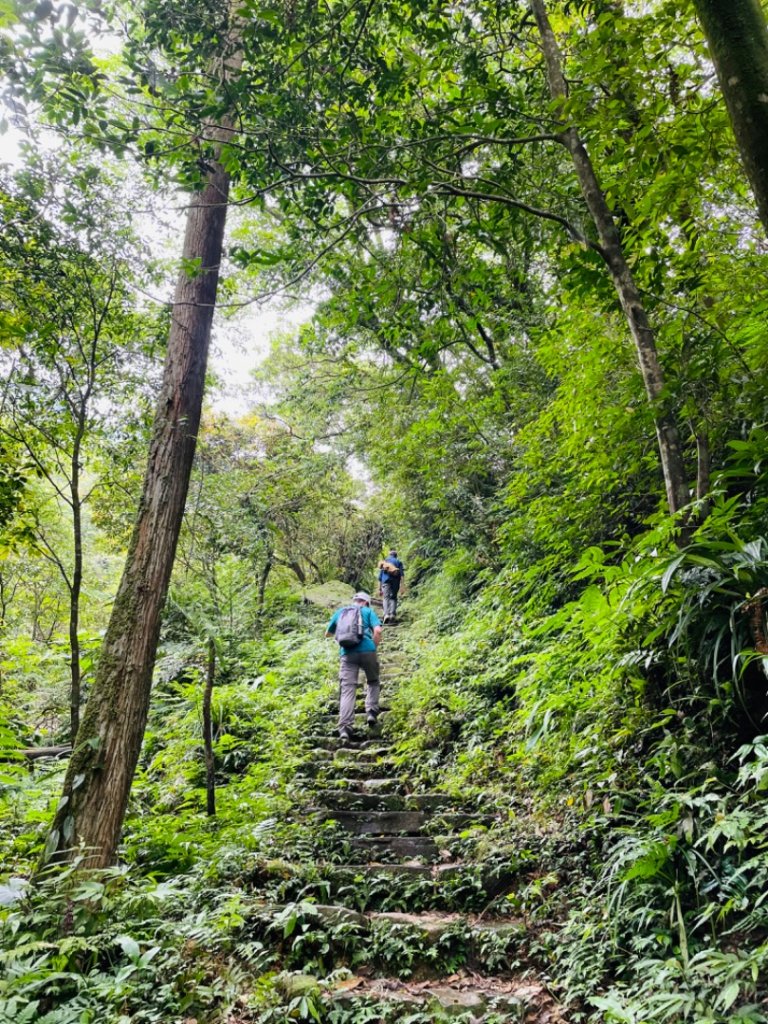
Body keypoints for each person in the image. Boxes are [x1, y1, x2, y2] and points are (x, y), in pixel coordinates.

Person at [325, 592, 382, 742]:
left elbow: (328, 634)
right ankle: (371, 712)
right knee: (373, 681)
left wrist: (343, 638)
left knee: (347, 690)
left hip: (347, 654)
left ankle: (345, 727)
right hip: (368, 650)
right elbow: (377, 630)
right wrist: (373, 646)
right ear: (366, 603)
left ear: (354, 601)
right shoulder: (368, 611)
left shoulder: (341, 612)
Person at [378, 549, 405, 624]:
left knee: (386, 598)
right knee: (393, 597)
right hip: (395, 582)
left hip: (385, 581)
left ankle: (386, 614)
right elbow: (402, 574)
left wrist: (379, 588)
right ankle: (392, 614)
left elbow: (380, 577)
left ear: (390, 555)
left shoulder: (385, 562)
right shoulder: (398, 562)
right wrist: (402, 586)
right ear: (396, 556)